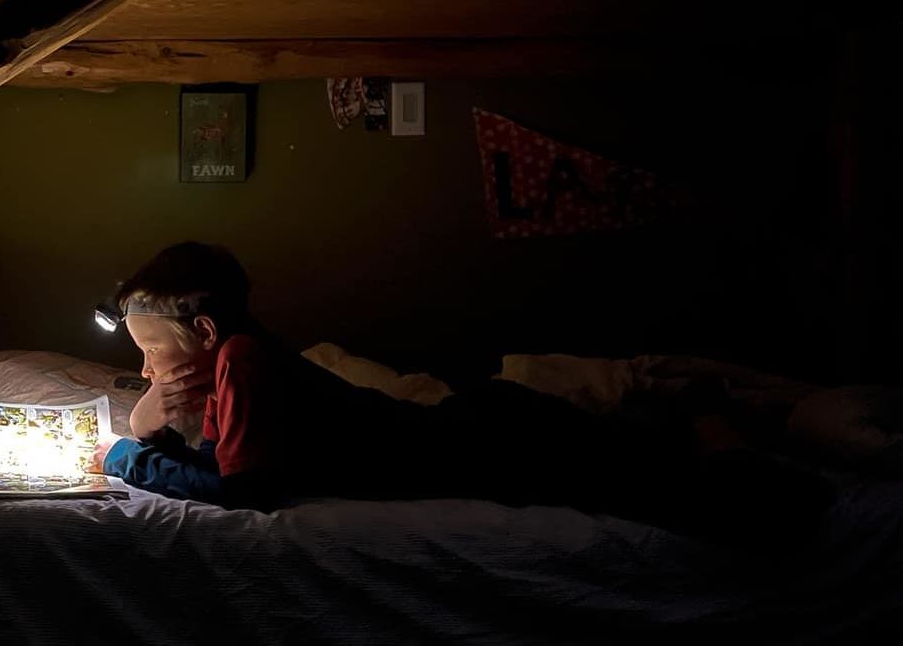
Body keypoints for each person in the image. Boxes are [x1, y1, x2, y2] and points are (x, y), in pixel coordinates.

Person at [91, 242, 833, 550]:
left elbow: (244, 489)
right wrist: (148, 420)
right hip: (467, 429)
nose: (152, 367)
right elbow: (212, 449)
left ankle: (755, 452)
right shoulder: (238, 355)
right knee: (638, 461)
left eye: (155, 350)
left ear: (208, 329)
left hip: (476, 445)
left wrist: (131, 458)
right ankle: (704, 427)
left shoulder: (245, 361)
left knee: (681, 492)